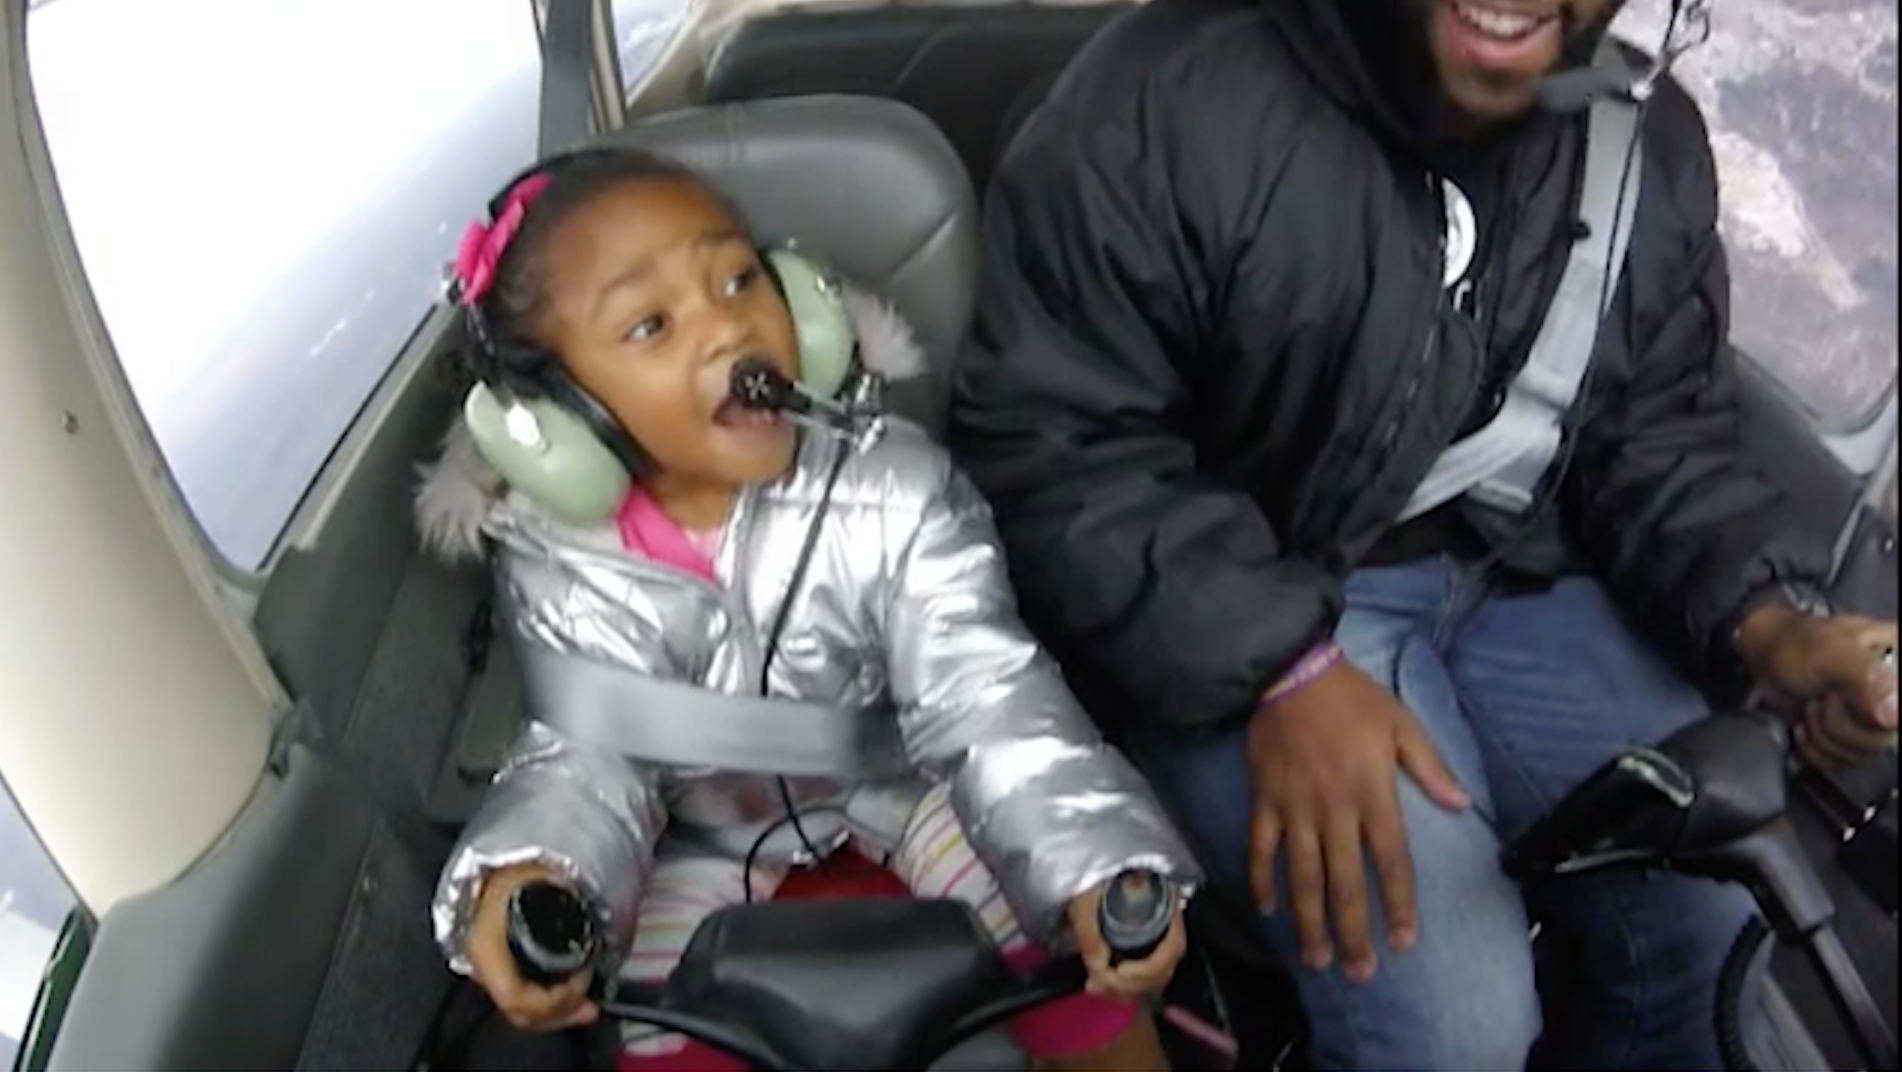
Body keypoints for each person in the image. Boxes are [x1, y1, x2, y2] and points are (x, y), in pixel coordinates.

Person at [946, 0, 1901, 1068]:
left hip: (1513, 574)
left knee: (1716, 918)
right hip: (1244, 601)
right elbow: (1055, 441)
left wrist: (1770, 621)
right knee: (1459, 1030)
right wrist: (1282, 670)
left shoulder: (1640, 145)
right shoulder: (1162, 103)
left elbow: (1653, 432)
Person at [413, 147, 1202, 1072]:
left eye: (740, 277)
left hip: (909, 792)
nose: (726, 330)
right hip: (693, 835)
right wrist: (536, 872)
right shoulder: (558, 561)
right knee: (652, 1035)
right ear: (558, 415)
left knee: (1078, 971)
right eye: (649, 325)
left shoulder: (894, 487)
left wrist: (1092, 859)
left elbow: (988, 695)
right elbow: (586, 759)